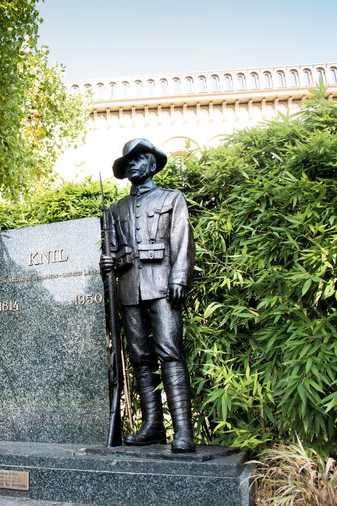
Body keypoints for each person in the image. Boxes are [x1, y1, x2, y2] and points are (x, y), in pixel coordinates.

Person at [100, 138, 196, 453]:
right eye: (127, 161)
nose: (132, 165)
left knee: (169, 351)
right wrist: (106, 260)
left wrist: (179, 276)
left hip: (163, 285)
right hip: (129, 288)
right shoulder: (116, 209)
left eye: (138, 159)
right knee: (140, 357)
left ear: (151, 163)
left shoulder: (172, 199)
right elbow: (112, 251)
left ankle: (183, 431)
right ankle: (153, 424)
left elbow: (181, 239)